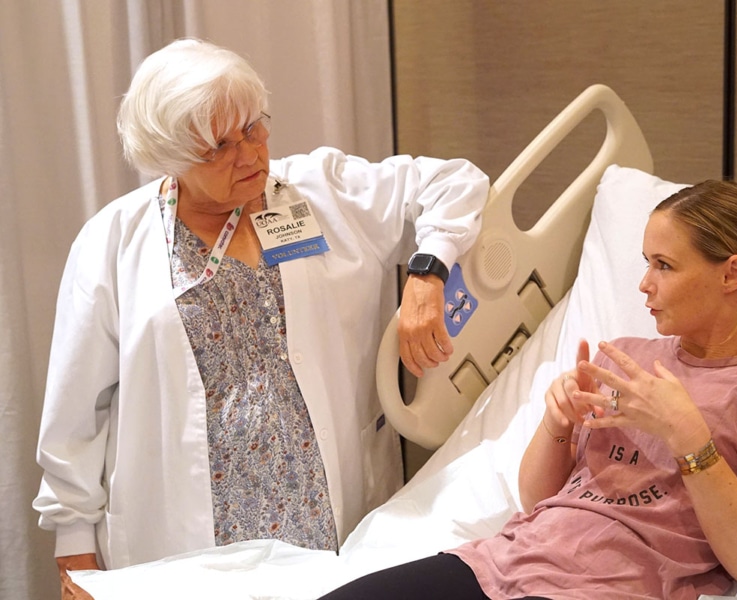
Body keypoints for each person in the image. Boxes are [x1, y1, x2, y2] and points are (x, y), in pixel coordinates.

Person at [32, 38, 488, 599]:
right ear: (172, 158)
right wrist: (74, 553)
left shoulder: (319, 191)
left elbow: (455, 183)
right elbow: (76, 413)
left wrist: (427, 272)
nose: (249, 155)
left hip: (328, 531)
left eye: (253, 128)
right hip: (188, 548)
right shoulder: (111, 242)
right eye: (219, 147)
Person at [318, 180, 737, 599]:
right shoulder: (627, 359)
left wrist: (690, 439)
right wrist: (556, 423)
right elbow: (540, 500)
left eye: (664, 266)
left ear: (732, 274)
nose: (644, 283)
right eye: (646, 263)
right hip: (496, 564)